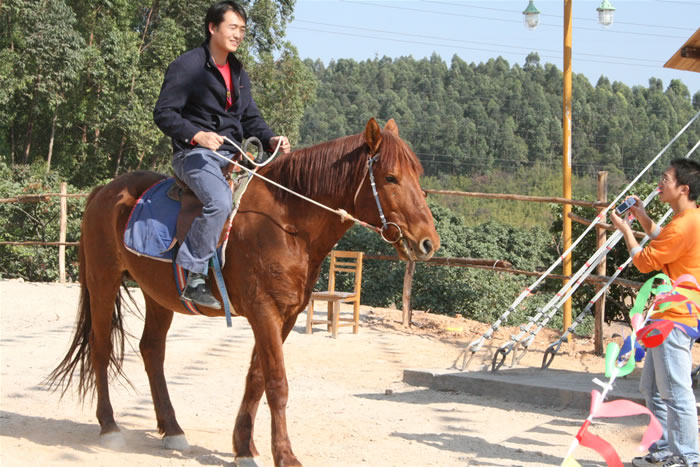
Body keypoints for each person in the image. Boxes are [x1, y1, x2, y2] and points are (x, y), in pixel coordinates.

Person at [153, 1, 291, 309]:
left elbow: (250, 119)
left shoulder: (240, 72)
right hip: (193, 156)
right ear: (212, 28)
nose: (239, 34)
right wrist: (197, 135)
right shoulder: (186, 66)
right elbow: (163, 114)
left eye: (243, 29)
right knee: (219, 201)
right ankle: (195, 276)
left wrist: (271, 139)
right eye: (233, 27)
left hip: (234, 157)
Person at [610, 158, 700, 467]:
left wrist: (625, 229)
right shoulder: (687, 219)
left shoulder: (686, 224)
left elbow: (646, 262)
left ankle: (687, 457)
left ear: (683, 188)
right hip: (667, 315)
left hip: (675, 316)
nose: (659, 184)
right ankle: (665, 450)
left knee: (675, 391)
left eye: (665, 179)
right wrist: (643, 216)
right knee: (653, 388)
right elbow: (663, 237)